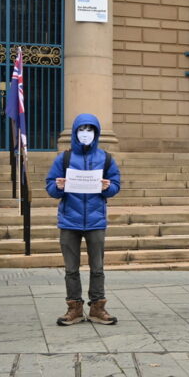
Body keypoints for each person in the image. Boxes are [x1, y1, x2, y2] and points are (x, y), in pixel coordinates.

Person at [45, 114, 121, 325]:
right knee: (71, 269)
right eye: (81, 130)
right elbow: (50, 186)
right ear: (75, 132)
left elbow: (115, 185)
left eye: (90, 130)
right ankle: (74, 308)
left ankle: (98, 308)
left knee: (98, 268)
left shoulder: (106, 158)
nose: (85, 134)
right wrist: (57, 187)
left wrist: (108, 187)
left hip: (95, 221)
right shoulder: (64, 158)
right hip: (70, 221)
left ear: (96, 133)